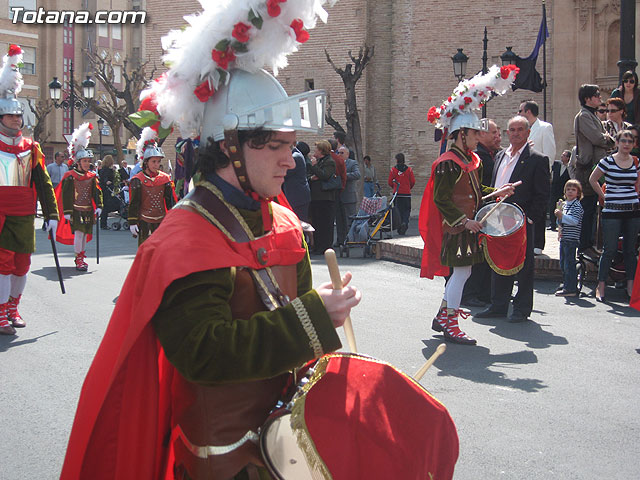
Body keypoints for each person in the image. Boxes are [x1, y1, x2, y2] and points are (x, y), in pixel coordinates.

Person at [60, 4, 361, 475]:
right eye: (277, 146)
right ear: (229, 147)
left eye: (291, 145)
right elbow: (204, 352)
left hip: (291, 446)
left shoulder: (283, 223)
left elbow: (305, 345)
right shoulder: (184, 240)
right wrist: (313, 318)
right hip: (222, 464)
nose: (292, 160)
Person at [421, 64, 519, 344]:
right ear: (462, 134)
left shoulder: (469, 162)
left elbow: (474, 192)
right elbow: (442, 200)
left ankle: (443, 317)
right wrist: (464, 221)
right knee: (462, 273)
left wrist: (499, 191)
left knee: (462, 273)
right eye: (475, 134)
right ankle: (450, 322)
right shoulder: (447, 164)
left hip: (467, 226)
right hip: (457, 228)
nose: (479, 137)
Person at [0, 44, 58, 335]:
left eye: (18, 117)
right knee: (2, 263)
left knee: (22, 264)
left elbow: (44, 183)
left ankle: (13, 305)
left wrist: (52, 214)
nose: (15, 120)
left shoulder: (31, 148)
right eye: (10, 117)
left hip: (23, 214)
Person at [476, 115, 550, 323]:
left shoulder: (537, 159)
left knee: (524, 266)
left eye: (520, 129)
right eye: (512, 130)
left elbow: (542, 194)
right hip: (497, 219)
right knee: (498, 261)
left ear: (528, 133)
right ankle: (498, 304)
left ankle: (522, 308)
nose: (516, 133)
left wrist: (531, 219)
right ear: (508, 133)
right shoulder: (499, 156)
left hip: (520, 221)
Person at [589, 129, 640, 302]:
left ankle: (630, 285)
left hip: (632, 210)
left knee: (630, 250)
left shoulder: (635, 161)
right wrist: (603, 196)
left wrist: (635, 195)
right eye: (623, 141)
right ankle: (601, 285)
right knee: (609, 249)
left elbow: (637, 182)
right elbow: (592, 179)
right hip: (612, 210)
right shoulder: (608, 161)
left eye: (630, 141)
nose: (626, 144)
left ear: (633, 144)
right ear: (617, 143)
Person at [461, 118, 501, 307]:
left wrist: (498, 192)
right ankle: (469, 294)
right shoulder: (475, 159)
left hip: (486, 213)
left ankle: (483, 292)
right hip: (473, 217)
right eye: (494, 133)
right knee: (472, 258)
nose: (498, 137)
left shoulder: (493, 155)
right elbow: (474, 190)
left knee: (483, 257)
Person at [574, 84, 615, 256]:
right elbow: (598, 138)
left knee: (592, 208)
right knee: (587, 208)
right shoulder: (584, 116)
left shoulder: (591, 116)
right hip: (586, 169)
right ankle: (584, 246)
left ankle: (588, 244)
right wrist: (610, 139)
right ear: (587, 98)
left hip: (595, 167)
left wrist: (605, 138)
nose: (600, 98)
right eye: (596, 95)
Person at [56, 123, 103, 272]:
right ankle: (79, 258)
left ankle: (82, 254)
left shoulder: (92, 176)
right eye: (84, 161)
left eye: (89, 161)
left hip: (88, 210)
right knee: (79, 233)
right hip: (75, 210)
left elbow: (97, 192)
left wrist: (100, 206)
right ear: (78, 162)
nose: (87, 164)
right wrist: (68, 211)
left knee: (84, 234)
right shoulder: (71, 177)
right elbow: (67, 194)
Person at [128, 128, 176, 246]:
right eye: (153, 161)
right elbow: (134, 202)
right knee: (145, 250)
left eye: (158, 161)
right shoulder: (137, 180)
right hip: (144, 221)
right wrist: (132, 222)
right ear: (146, 163)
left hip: (161, 220)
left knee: (161, 251)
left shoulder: (165, 179)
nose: (157, 164)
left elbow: (170, 201)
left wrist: (174, 218)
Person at [519, 100, 556, 255]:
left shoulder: (545, 128)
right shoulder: (524, 130)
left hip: (539, 174)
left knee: (539, 209)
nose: (519, 114)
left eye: (520, 111)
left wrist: (544, 174)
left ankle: (538, 243)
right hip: (526, 176)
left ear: (528, 112)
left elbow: (550, 152)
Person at [554, 180, 584, 297]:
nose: (570, 192)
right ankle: (567, 283)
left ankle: (570, 288)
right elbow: (561, 221)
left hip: (571, 238)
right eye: (568, 189)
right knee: (563, 263)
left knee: (568, 264)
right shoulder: (565, 204)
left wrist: (562, 216)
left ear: (578, 193)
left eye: (573, 190)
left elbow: (574, 221)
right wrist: (559, 218)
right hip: (564, 237)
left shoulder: (577, 206)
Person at [308, 139, 338, 254]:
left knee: (325, 223)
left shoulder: (329, 161)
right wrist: (313, 175)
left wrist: (315, 167)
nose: (314, 150)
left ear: (321, 150)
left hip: (325, 198)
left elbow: (324, 175)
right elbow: (312, 176)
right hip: (316, 198)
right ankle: (317, 245)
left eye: (316, 148)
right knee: (316, 222)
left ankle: (325, 247)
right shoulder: (319, 161)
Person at [335, 145, 361, 245]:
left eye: (342, 153)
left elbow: (357, 174)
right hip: (339, 195)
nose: (340, 155)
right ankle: (340, 240)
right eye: (338, 153)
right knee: (339, 220)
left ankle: (351, 239)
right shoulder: (336, 163)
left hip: (349, 196)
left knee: (349, 220)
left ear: (347, 154)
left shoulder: (352, 163)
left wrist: (344, 176)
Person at [282, 141, 311, 222]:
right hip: (296, 196)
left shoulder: (295, 157)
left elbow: (284, 173)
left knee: (299, 222)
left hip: (297, 197)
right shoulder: (295, 155)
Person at [388, 152, 415, 235]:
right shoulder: (409, 170)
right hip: (406, 194)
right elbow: (413, 181)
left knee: (398, 210)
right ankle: (405, 222)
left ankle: (399, 225)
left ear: (397, 160)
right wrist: (407, 187)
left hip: (397, 194)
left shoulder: (393, 170)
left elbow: (390, 182)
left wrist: (395, 187)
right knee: (406, 210)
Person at [548, 150, 572, 231]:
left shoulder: (570, 167)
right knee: (552, 207)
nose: (562, 156)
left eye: (564, 155)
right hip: (554, 189)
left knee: (562, 208)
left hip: (562, 191)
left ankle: (561, 224)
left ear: (568, 158)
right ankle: (552, 225)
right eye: (562, 155)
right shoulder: (556, 164)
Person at [98, 155, 120, 230]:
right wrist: (108, 182)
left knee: (104, 207)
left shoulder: (102, 169)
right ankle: (104, 224)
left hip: (103, 189)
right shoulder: (108, 170)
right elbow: (106, 179)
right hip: (108, 190)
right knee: (106, 206)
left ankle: (103, 223)